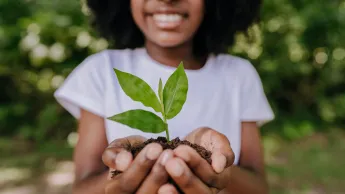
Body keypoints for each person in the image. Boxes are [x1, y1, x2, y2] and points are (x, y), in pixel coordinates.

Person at [54, 0, 274, 193]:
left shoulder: (238, 75)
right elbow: (82, 187)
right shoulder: (101, 71)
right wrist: (129, 173)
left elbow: (258, 187)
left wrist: (213, 167)